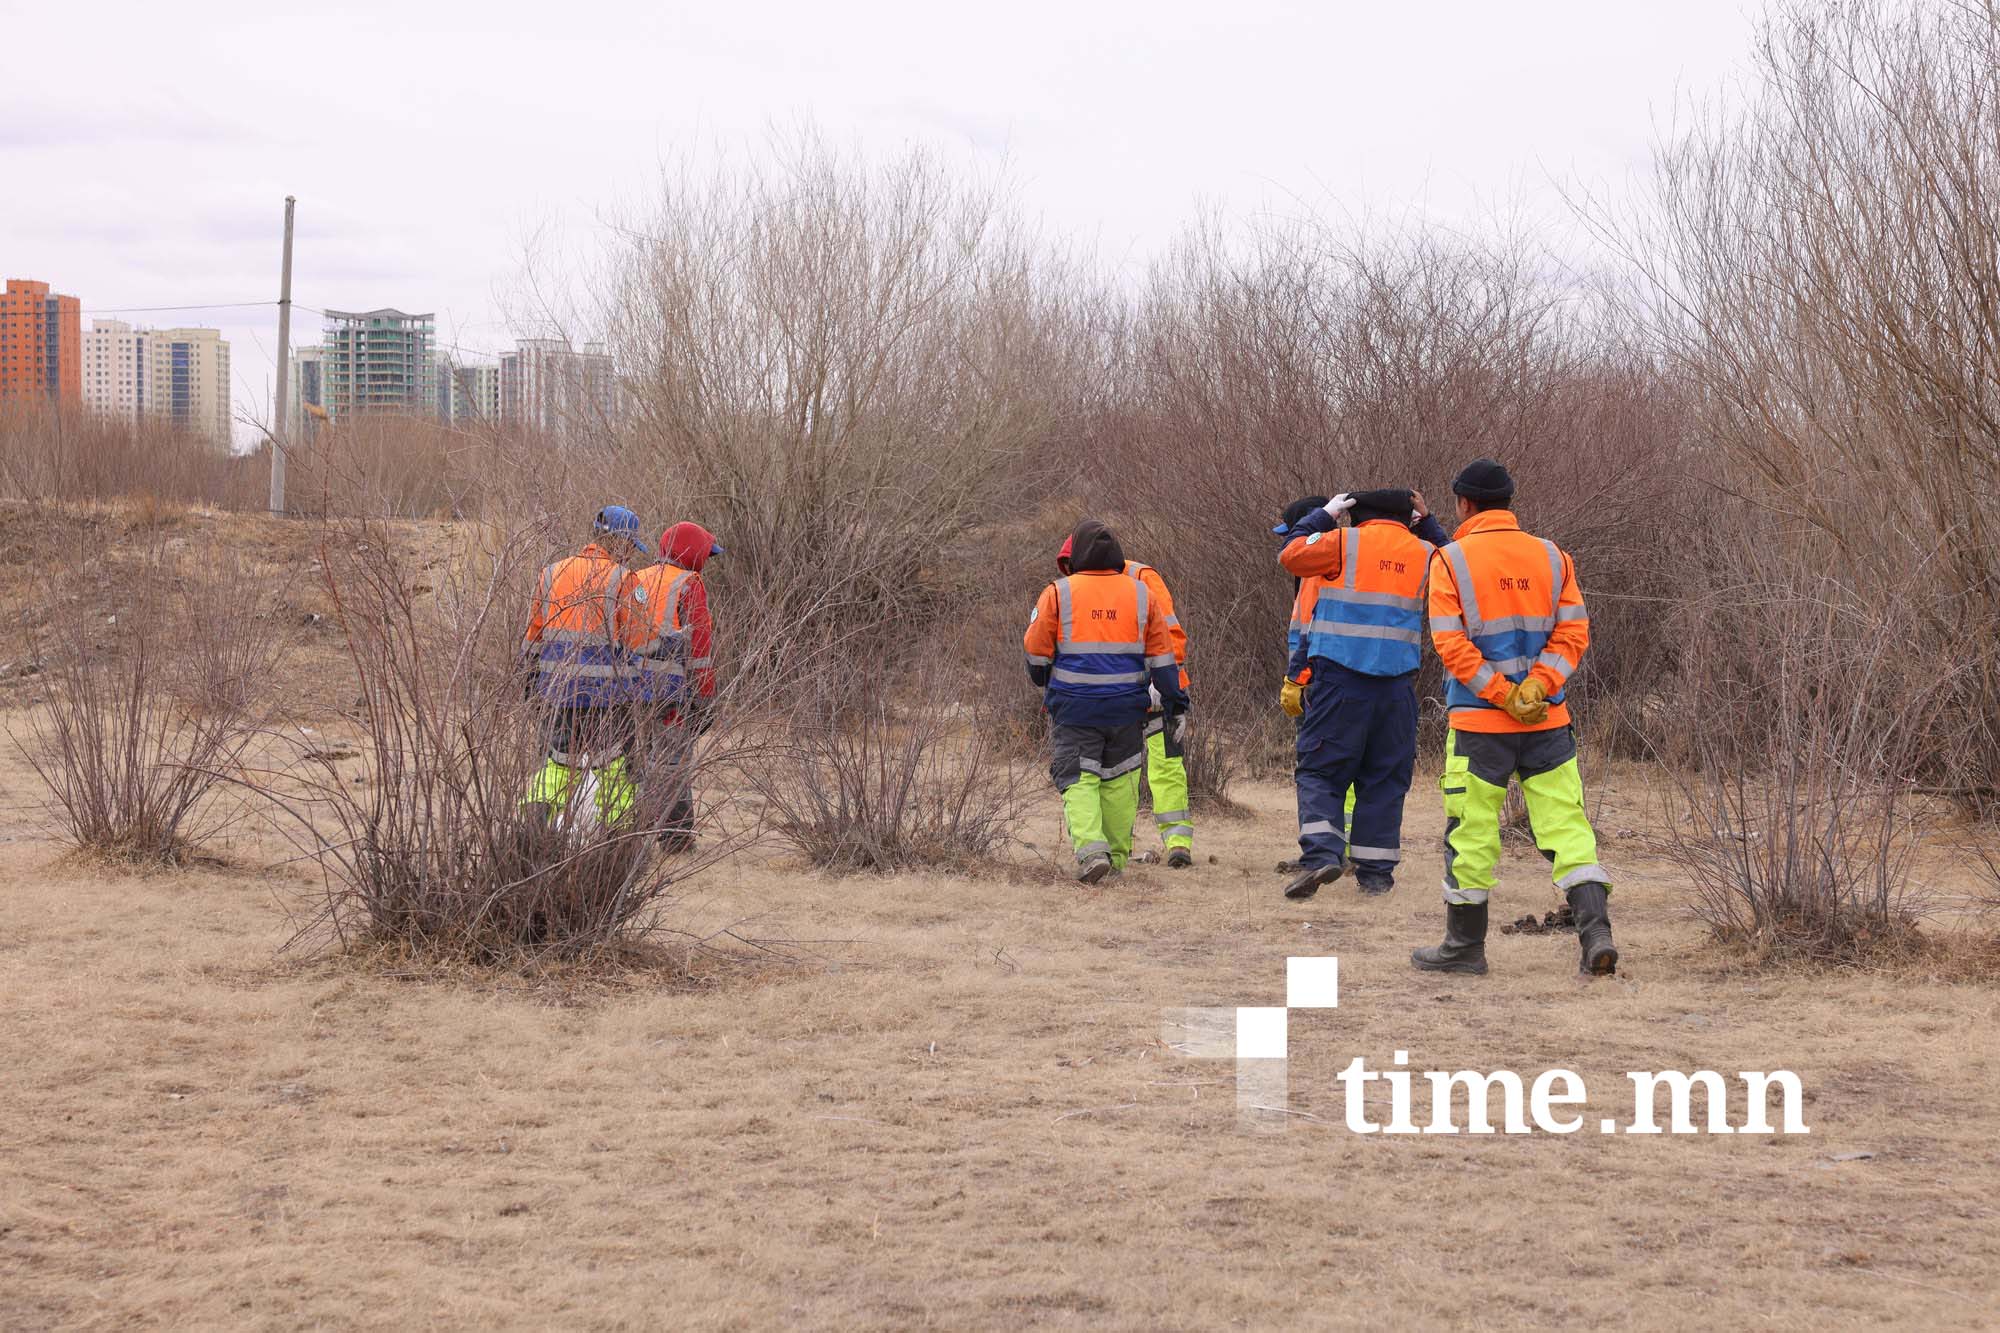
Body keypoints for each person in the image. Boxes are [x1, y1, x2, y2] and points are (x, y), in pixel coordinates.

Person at [1413, 458, 1617, 977]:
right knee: (1568, 828)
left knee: (1471, 833)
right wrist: (1537, 686)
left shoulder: (1450, 560)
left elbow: (1450, 644)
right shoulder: (1553, 557)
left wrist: (1501, 695)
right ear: (1509, 502)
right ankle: (1596, 934)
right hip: (1547, 722)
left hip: (1480, 726)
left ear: (1464, 504)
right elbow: (1574, 634)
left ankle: (1464, 948)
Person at [1276, 488, 1439, 899]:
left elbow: (1291, 554)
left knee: (1320, 771)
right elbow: (1464, 568)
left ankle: (1322, 854)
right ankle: (1376, 875)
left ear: (1354, 513)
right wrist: (1429, 524)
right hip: (1397, 686)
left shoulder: (1343, 542)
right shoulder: (1425, 552)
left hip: (1339, 681)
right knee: (1385, 779)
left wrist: (1322, 516)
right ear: (1407, 518)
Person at [1025, 520, 1186, 883]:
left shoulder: (1057, 593)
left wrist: (1041, 677)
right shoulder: (1142, 594)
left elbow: (1036, 652)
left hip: (1075, 707)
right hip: (1127, 709)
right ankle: (1114, 858)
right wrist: (1175, 702)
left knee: (1078, 778)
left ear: (1077, 555)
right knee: (1120, 781)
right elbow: (1164, 659)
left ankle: (1092, 852)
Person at [1058, 535, 1195, 868]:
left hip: (1158, 690)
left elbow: (1170, 634)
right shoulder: (1082, 587)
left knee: (1164, 764)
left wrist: (1164, 683)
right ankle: (1118, 848)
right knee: (1122, 773)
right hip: (1124, 695)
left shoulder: (1142, 577)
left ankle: (1177, 843)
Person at [521, 505, 647, 828]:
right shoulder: (623, 579)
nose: (632, 553)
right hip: (607, 700)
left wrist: (531, 684)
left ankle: (533, 827)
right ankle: (619, 837)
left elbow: (533, 638)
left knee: (558, 765)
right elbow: (638, 643)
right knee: (615, 769)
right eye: (631, 545)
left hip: (558, 694)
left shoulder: (551, 573)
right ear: (620, 541)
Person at [626, 521, 724, 850]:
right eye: (705, 554)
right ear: (691, 551)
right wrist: (705, 699)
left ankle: (627, 835)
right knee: (672, 763)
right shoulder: (689, 584)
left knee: (635, 764)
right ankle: (675, 838)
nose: (706, 562)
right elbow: (699, 650)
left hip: (628, 690)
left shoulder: (636, 577)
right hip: (671, 692)